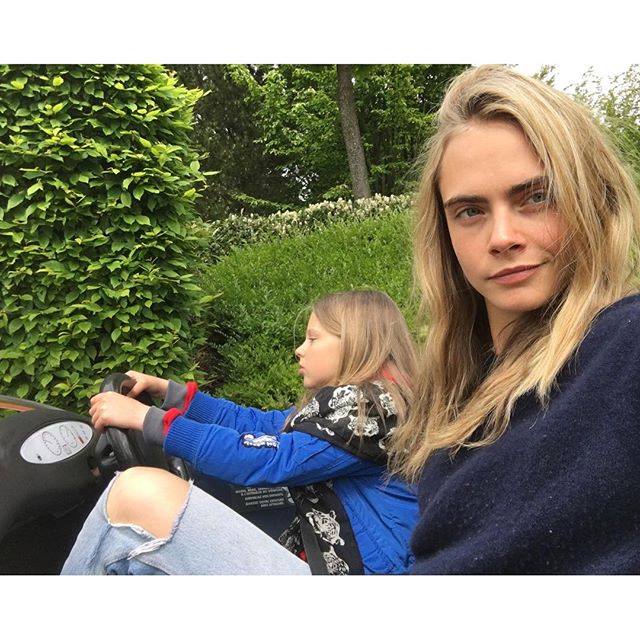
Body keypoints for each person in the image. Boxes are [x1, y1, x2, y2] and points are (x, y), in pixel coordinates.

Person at [387, 64, 640, 574]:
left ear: (594, 199)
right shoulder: (460, 389)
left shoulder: (625, 346)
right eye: (470, 211)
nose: (502, 237)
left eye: (537, 197)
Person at [62, 289, 419, 575]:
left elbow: (267, 458)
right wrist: (171, 394)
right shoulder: (350, 405)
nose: (300, 350)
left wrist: (148, 420)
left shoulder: (372, 413)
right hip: (323, 563)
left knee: (130, 496)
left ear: (355, 343)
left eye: (313, 339)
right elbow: (260, 426)